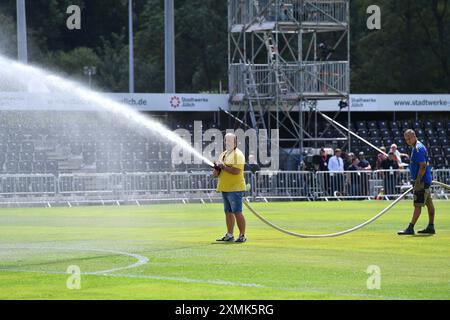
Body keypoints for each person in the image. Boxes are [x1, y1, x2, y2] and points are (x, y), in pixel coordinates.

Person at [398, 129, 436, 235]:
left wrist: (418, 180)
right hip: (425, 180)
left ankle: (410, 227)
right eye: (406, 139)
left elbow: (423, 165)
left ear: (414, 136)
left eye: (409, 138)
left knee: (418, 205)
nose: (408, 141)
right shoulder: (418, 147)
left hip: (422, 182)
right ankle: (431, 226)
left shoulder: (417, 149)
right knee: (429, 204)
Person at [213, 133, 247, 243]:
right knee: (228, 212)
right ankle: (230, 234)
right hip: (225, 188)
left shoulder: (238, 154)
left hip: (235, 188)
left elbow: (237, 171)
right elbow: (216, 173)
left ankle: (242, 235)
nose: (227, 142)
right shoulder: (223, 154)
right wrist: (216, 168)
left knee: (237, 212)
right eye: (225, 140)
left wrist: (223, 166)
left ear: (235, 142)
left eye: (229, 140)